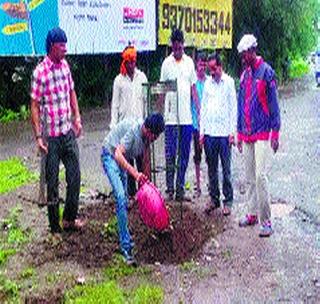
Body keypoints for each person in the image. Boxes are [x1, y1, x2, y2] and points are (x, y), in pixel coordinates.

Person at [30, 27, 85, 234]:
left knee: (75, 176)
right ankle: (54, 227)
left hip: (67, 132)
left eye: (65, 44)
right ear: (52, 46)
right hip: (50, 138)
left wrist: (77, 118)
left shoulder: (65, 67)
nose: (65, 49)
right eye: (62, 45)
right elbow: (34, 105)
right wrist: (38, 136)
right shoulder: (39, 73)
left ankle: (69, 218)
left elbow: (72, 92)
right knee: (52, 183)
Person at [101, 113, 165, 264]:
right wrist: (135, 174)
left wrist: (148, 187)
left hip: (122, 160)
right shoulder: (134, 131)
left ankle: (125, 237)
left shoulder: (146, 138)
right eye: (154, 136)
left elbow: (146, 160)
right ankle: (126, 247)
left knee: (123, 203)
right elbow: (118, 154)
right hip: (110, 156)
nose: (154, 139)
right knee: (121, 198)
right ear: (148, 130)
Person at [236, 34, 281, 237]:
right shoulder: (245, 75)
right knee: (249, 177)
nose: (243, 58)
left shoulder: (266, 73)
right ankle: (252, 213)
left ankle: (267, 220)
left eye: (245, 54)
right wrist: (238, 131)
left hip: (263, 132)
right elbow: (240, 105)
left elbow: (274, 106)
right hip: (246, 133)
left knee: (260, 176)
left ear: (252, 51)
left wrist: (276, 132)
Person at [158, 29, 199, 201]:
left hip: (187, 119)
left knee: (184, 154)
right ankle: (169, 189)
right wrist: (159, 114)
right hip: (170, 119)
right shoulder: (166, 64)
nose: (177, 50)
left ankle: (180, 188)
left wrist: (198, 110)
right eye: (174, 48)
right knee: (170, 154)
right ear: (171, 46)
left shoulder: (189, 62)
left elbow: (193, 88)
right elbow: (161, 90)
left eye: (180, 47)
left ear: (183, 45)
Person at [200, 52, 237, 216]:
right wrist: (202, 132)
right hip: (209, 133)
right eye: (210, 69)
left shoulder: (229, 83)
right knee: (212, 168)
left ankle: (228, 201)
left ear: (220, 67)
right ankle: (214, 199)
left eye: (214, 68)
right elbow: (204, 108)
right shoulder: (207, 84)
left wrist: (232, 132)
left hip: (224, 134)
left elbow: (233, 109)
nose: (212, 72)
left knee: (226, 169)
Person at [110, 45, 148, 197]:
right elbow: (115, 105)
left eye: (133, 62)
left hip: (140, 127)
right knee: (127, 163)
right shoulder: (118, 81)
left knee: (142, 161)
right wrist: (113, 127)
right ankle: (131, 195)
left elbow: (146, 101)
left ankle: (144, 193)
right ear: (124, 63)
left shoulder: (142, 77)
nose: (131, 65)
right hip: (125, 127)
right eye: (128, 62)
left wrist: (147, 123)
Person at [191, 51, 208, 198]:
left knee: (210, 155)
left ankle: (209, 182)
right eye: (200, 64)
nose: (202, 67)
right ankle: (198, 184)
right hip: (196, 125)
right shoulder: (193, 82)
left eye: (204, 64)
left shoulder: (209, 82)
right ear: (196, 64)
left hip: (208, 125)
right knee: (197, 155)